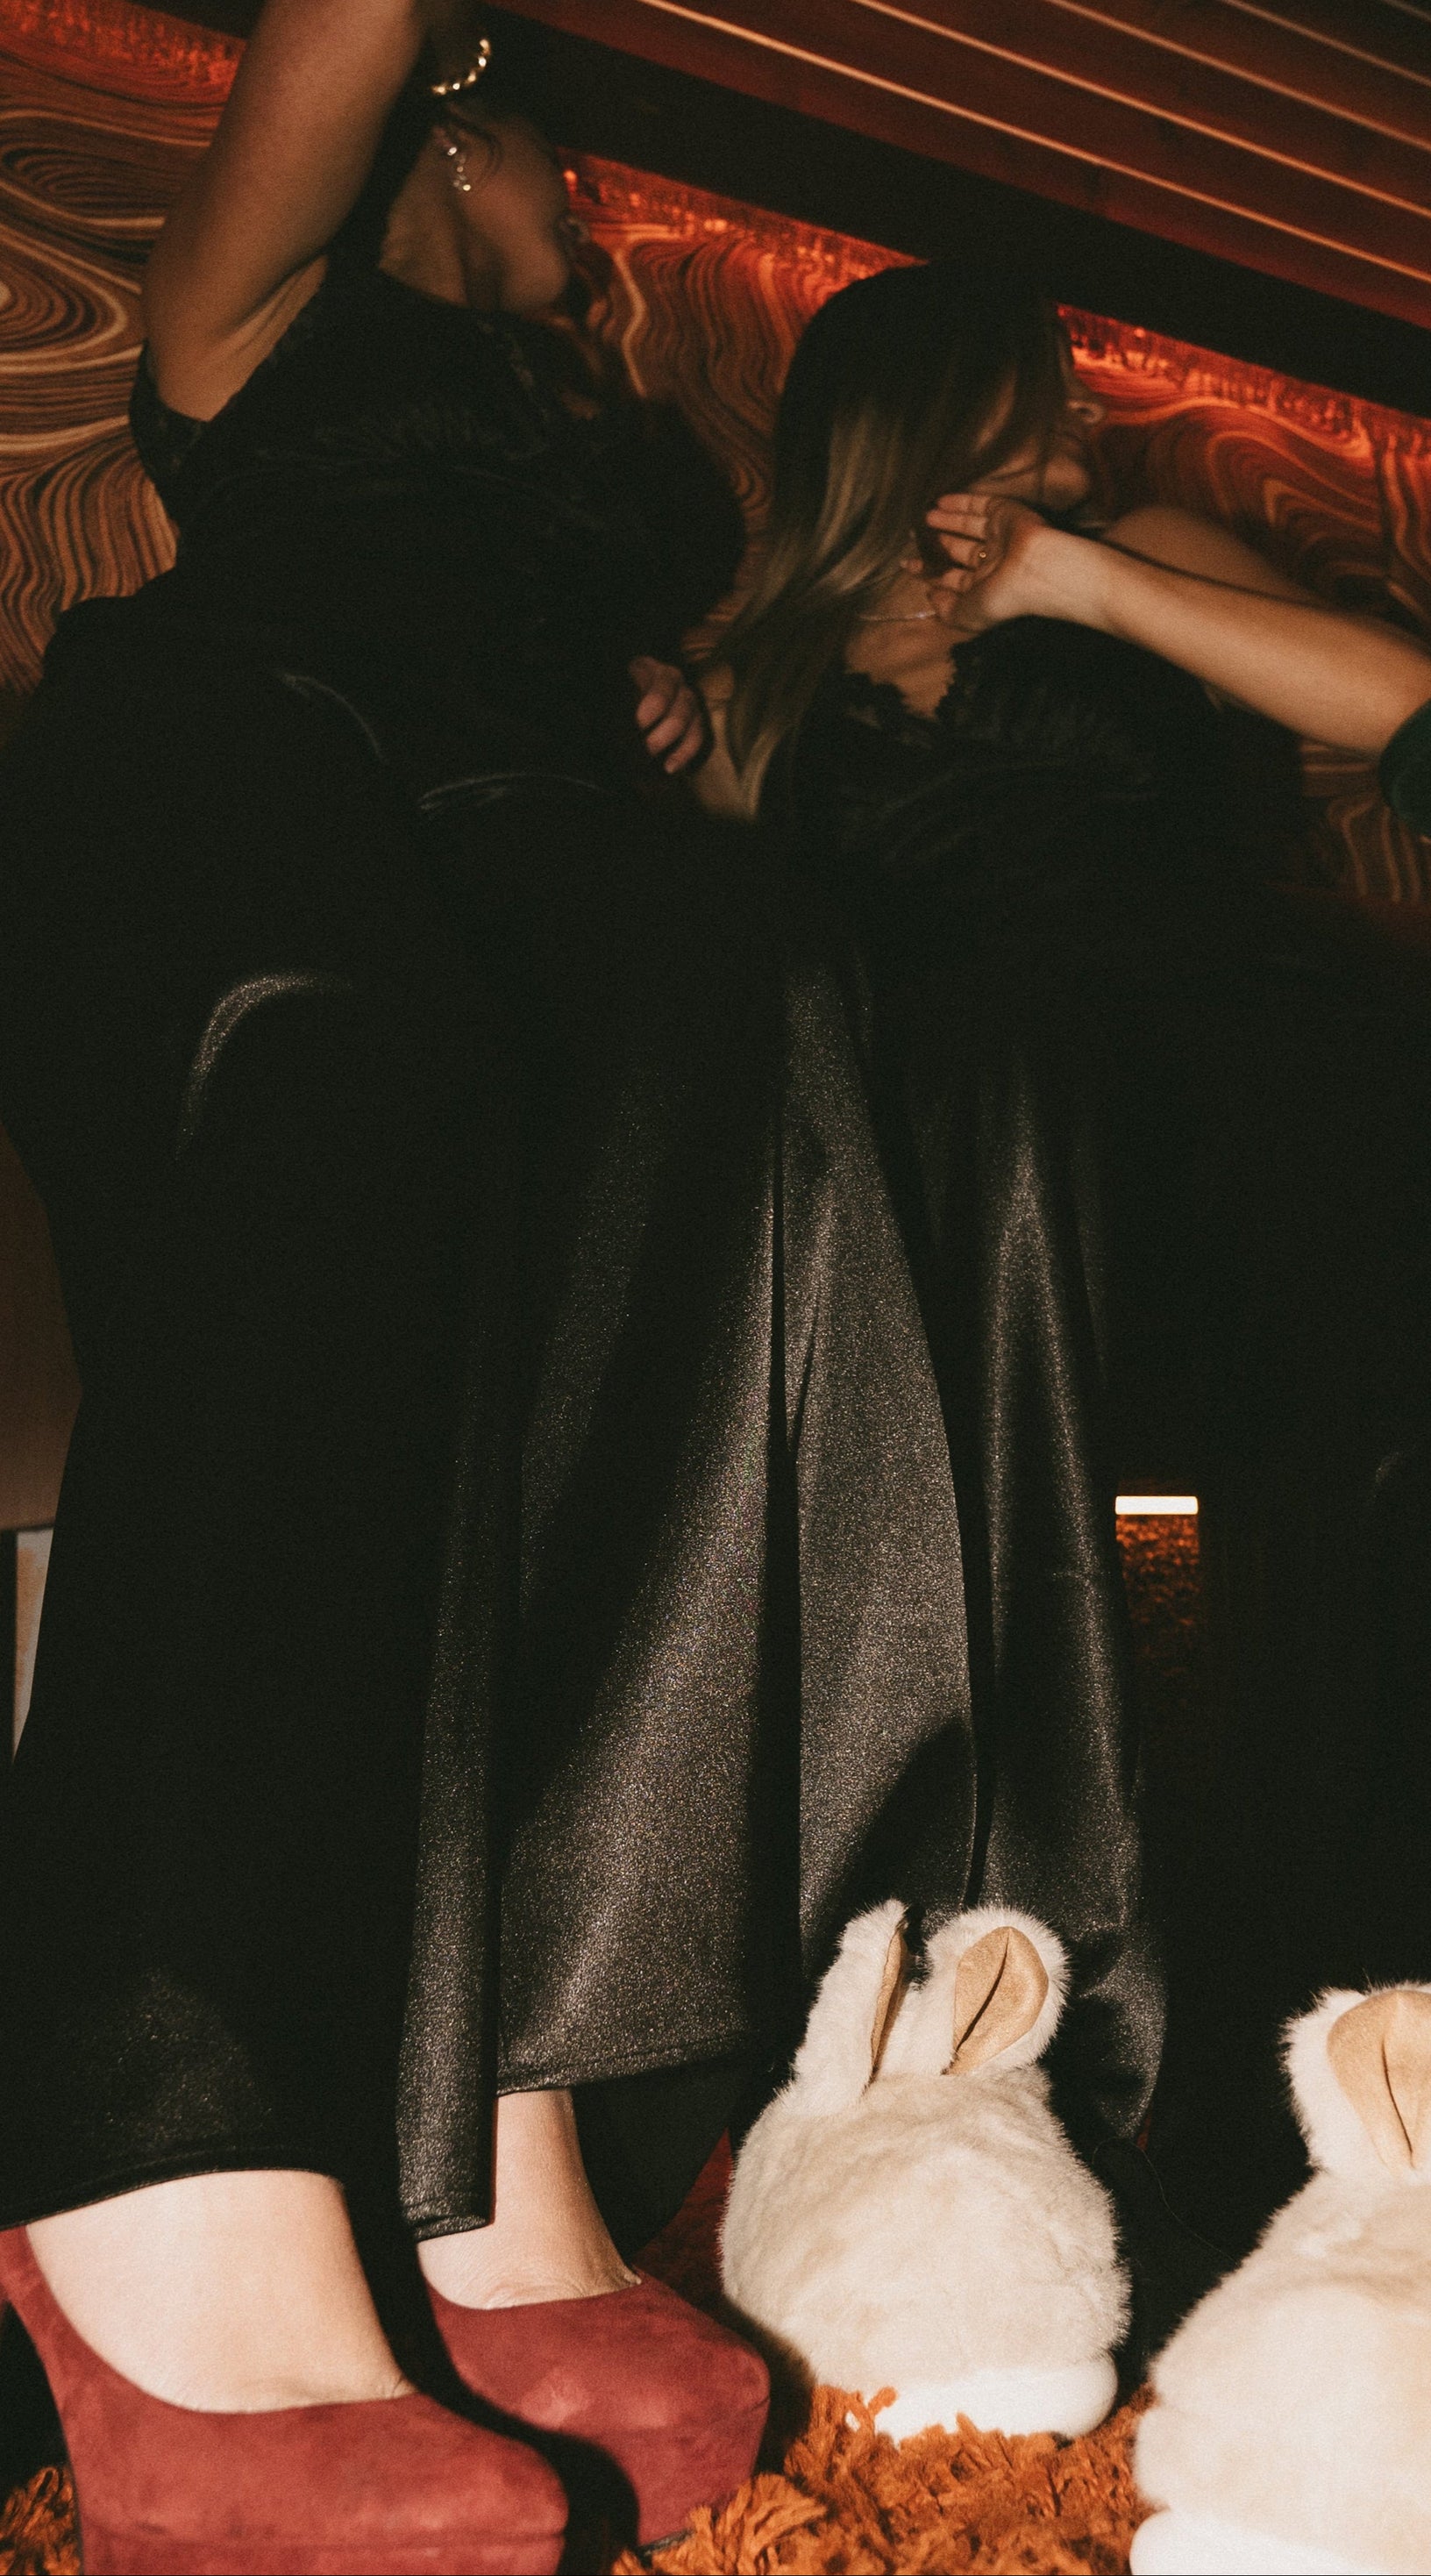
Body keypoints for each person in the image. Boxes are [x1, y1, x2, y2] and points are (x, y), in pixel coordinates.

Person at [0, 8, 986, 2564]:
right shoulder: (270, 318)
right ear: (468, 121)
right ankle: (152, 2169)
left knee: (738, 1072)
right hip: (256, 763)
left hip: (546, 859)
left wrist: (656, 694)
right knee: (354, 1103)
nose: (603, 224)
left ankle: (486, 2142)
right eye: (571, 171)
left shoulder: (605, 453)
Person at [696, 262, 1431, 2265]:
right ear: (922, 400)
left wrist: (1082, 586)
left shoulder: (1135, 544)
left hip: (1259, 1103)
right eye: (1035, 392)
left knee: (1397, 1529)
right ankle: (1112, 2091)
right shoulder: (757, 658)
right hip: (990, 1191)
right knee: (1056, 1610)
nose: (1075, 427)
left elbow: (1410, 718)